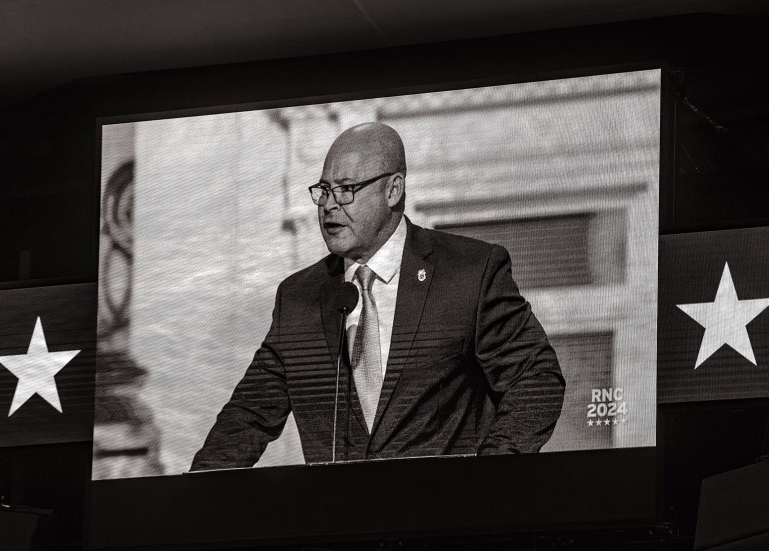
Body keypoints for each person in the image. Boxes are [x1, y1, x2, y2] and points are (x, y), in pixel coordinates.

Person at [191, 122, 565, 470]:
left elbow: (536, 379)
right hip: (342, 530)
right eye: (323, 190)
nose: (329, 205)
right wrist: (191, 500)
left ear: (393, 190)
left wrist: (485, 480)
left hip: (449, 523)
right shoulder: (299, 297)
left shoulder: (468, 271)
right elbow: (249, 415)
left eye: (347, 189)